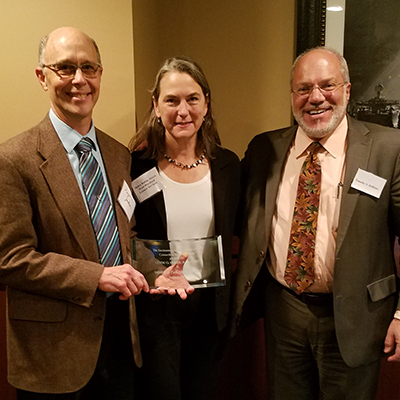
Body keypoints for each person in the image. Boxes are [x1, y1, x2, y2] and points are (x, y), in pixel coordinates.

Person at [0, 27, 191, 400]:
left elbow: (124, 236)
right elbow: (10, 259)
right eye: (64, 68)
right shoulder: (13, 159)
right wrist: (96, 276)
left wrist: (154, 270)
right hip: (54, 352)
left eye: (89, 68)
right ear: (42, 76)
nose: (78, 80)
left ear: (100, 75)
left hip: (121, 341)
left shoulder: (119, 154)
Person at [232, 47, 400, 400]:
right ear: (292, 95)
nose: (315, 98)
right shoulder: (265, 148)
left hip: (358, 316)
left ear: (348, 89)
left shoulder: (388, 149)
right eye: (304, 88)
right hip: (285, 310)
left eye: (327, 85)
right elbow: (227, 198)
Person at [129, 56, 241, 400]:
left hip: (210, 309)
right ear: (155, 105)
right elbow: (125, 235)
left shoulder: (228, 165)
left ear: (206, 103)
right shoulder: (134, 166)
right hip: (157, 308)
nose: (183, 111)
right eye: (171, 100)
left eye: (192, 99)